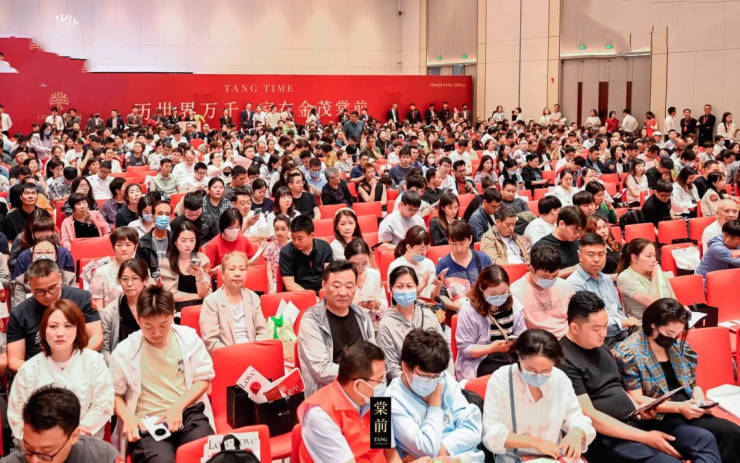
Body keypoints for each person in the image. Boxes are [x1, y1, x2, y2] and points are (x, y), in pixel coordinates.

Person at [560, 291, 722, 462]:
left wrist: (640, 409)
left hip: (637, 421)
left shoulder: (600, 346)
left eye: (605, 326)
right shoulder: (564, 360)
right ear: (574, 328)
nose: (603, 333)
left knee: (704, 439)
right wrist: (645, 437)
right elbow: (590, 415)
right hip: (608, 436)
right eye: (596, 328)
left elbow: (619, 388)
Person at [614, 298, 740, 462]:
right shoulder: (630, 351)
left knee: (731, 431)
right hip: (659, 415)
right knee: (717, 434)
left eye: (678, 334)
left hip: (687, 408)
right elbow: (638, 400)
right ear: (653, 325)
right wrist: (679, 408)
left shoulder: (677, 346)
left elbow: (693, 385)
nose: (673, 338)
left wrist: (700, 402)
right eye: (669, 333)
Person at [110, 285, 215, 461]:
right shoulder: (124, 351)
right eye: (148, 326)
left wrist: (178, 407)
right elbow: (114, 394)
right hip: (147, 422)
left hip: (187, 412)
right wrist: (128, 417)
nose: (156, 333)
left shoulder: (188, 339)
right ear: (138, 318)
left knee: (204, 454)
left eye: (163, 324)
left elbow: (203, 379)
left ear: (173, 314)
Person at [482, 329, 596, 462]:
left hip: (554, 457)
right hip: (515, 458)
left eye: (546, 371)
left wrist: (577, 433)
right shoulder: (502, 379)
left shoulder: (559, 379)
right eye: (531, 370)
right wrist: (535, 443)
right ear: (518, 356)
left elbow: (576, 417)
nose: (538, 376)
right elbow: (492, 433)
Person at [7, 300, 113, 440]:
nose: (60, 333)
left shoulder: (94, 362)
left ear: (78, 329)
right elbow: (17, 415)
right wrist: (44, 440)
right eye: (53, 326)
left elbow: (103, 405)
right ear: (43, 330)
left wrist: (77, 433)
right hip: (41, 444)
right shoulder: (29, 369)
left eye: (68, 326)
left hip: (84, 439)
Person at [387, 328, 484, 462]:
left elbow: (473, 428)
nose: (431, 381)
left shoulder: (444, 379)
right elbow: (426, 448)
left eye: (435, 376)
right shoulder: (392, 400)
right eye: (424, 376)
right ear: (405, 367)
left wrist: (443, 451)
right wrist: (435, 406)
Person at [7, 260, 102, 372]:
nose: (47, 295)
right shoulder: (19, 313)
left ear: (60, 279)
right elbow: (14, 360)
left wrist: (75, 361)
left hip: (79, 364)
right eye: (39, 291)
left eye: (52, 288)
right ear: (30, 286)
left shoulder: (82, 298)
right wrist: (46, 371)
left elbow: (97, 337)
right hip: (38, 369)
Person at [297, 260, 376, 396]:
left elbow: (374, 355)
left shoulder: (362, 315)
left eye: (349, 286)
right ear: (324, 285)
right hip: (329, 393)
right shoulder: (312, 320)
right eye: (337, 286)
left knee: (384, 407)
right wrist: (361, 374)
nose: (343, 292)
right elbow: (321, 370)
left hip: (363, 388)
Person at [0, 386, 120, 462]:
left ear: (74, 436)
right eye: (29, 449)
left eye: (45, 453)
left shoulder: (103, 457)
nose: (34, 461)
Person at [455, 264, 525, 379]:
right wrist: (491, 349)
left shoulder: (515, 304)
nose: (500, 297)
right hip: (481, 360)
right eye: (493, 294)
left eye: (504, 293)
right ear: (481, 288)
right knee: (506, 375)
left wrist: (515, 343)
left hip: (510, 356)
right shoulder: (469, 310)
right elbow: (465, 349)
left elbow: (521, 335)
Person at [377, 266, 446, 380]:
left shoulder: (427, 314)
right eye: (400, 286)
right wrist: (415, 381)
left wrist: (442, 377)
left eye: (409, 286)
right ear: (391, 290)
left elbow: (444, 349)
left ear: (416, 287)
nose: (405, 291)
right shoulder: (386, 324)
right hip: (405, 383)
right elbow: (391, 368)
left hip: (436, 377)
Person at [200, 251, 268, 354]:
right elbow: (211, 341)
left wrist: (255, 351)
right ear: (222, 274)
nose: (237, 274)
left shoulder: (253, 298)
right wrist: (234, 356)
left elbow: (262, 331)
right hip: (226, 356)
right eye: (232, 269)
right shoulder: (211, 301)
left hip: (254, 353)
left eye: (242, 269)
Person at [510, 245, 573, 338]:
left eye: (554, 276)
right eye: (545, 277)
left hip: (566, 336)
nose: (550, 280)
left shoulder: (565, 286)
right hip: (537, 340)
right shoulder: (515, 292)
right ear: (531, 269)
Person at [437, 221, 493, 313]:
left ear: (470, 239)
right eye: (454, 244)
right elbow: (441, 295)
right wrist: (458, 307)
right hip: (459, 311)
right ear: (448, 240)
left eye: (462, 243)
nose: (459, 249)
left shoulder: (483, 258)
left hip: (485, 308)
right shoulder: (443, 264)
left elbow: (493, 285)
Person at [100, 258, 148, 365]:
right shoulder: (109, 311)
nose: (129, 284)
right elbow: (105, 349)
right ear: (119, 281)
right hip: (120, 365)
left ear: (145, 280)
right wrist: (115, 368)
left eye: (135, 278)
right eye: (124, 279)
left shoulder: (156, 306)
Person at [617, 238, 676, 319]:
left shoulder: (656, 269)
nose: (653, 260)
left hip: (671, 317)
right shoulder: (625, 278)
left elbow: (673, 297)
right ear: (634, 258)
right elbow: (655, 304)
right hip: (646, 323)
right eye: (648, 256)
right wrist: (655, 276)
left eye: (654, 255)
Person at [160, 220, 211, 312]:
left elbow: (204, 292)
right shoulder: (167, 262)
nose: (188, 244)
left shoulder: (202, 259)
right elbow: (171, 294)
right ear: (175, 241)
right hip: (177, 309)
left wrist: (200, 276)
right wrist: (197, 296)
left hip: (203, 308)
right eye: (183, 240)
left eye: (192, 240)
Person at [10, 239, 75, 308]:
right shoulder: (21, 281)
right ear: (32, 257)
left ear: (56, 256)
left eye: (48, 252)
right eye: (39, 253)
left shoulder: (68, 277)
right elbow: (19, 309)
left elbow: (73, 306)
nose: (43, 256)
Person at [279, 214, 333, 293]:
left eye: (300, 238)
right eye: (293, 238)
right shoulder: (286, 252)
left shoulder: (324, 247)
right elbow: (289, 284)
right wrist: (311, 297)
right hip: (298, 293)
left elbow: (329, 276)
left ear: (311, 235)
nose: (296, 242)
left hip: (321, 291)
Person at [90, 226, 138, 309]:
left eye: (128, 245)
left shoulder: (143, 269)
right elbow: (98, 307)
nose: (124, 249)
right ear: (113, 247)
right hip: (111, 315)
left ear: (135, 246)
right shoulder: (101, 272)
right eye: (119, 245)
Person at [387, 226, 441, 299]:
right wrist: (422, 286)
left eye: (427, 248)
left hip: (428, 305)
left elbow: (432, 297)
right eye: (420, 249)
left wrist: (439, 285)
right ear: (408, 247)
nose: (424, 253)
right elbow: (401, 300)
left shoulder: (429, 264)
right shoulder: (396, 266)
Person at [531, 206, 585, 277]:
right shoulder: (542, 247)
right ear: (561, 224)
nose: (577, 235)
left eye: (579, 231)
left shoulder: (576, 242)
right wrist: (575, 269)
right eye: (575, 230)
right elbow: (542, 277)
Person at [344, 238, 387, 328]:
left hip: (372, 324)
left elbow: (385, 308)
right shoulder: (341, 278)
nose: (360, 268)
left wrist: (376, 304)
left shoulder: (374, 274)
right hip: (348, 324)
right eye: (355, 264)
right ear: (346, 260)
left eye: (364, 263)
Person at [135, 200, 171, 280]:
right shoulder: (143, 242)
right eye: (160, 214)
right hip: (153, 281)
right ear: (153, 216)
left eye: (167, 214)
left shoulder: (176, 239)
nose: (164, 217)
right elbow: (141, 271)